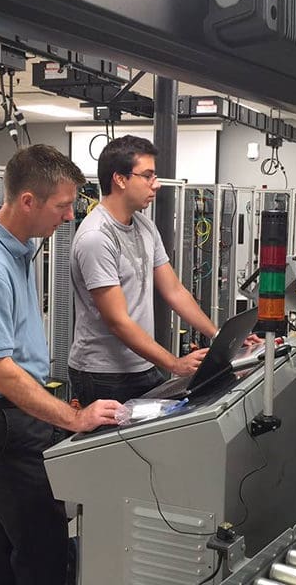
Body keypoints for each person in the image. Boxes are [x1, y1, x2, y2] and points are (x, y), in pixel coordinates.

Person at [0, 144, 123, 585]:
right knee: (43, 544)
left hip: (11, 416)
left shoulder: (16, 249)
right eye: (62, 206)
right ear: (28, 201)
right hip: (0, 420)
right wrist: (73, 417)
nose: (68, 217)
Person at [68, 135, 227, 406]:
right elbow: (118, 321)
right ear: (120, 179)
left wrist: (219, 336)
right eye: (148, 176)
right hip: (103, 373)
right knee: (116, 448)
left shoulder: (144, 226)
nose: (157, 184)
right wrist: (174, 364)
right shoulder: (97, 237)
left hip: (141, 366)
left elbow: (174, 291)